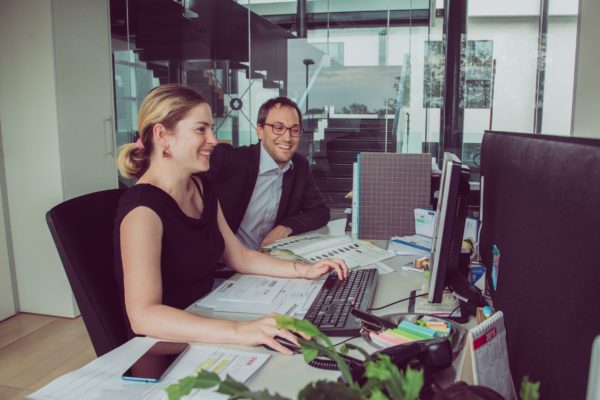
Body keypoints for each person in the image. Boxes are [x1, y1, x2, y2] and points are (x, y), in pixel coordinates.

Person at [114, 84, 347, 355]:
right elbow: (143, 316)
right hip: (166, 344)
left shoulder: (200, 187)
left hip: (208, 315)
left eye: (211, 128)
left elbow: (239, 256)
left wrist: (304, 270)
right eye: (201, 129)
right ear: (162, 135)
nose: (214, 139)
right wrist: (239, 331)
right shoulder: (142, 209)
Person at [202, 97, 329, 249]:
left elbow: (320, 212)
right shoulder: (227, 160)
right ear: (260, 131)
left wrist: (287, 227)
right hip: (221, 266)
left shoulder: (300, 166)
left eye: (294, 130)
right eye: (278, 127)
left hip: (267, 262)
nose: (287, 138)